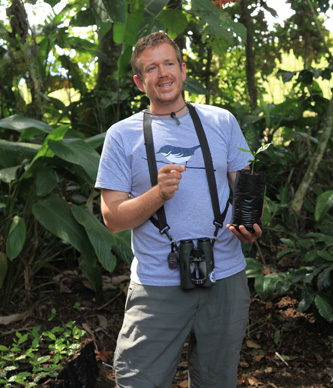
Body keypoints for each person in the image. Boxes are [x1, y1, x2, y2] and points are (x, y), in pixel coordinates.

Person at [95, 31, 262, 388]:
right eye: (151, 68)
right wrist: (158, 193)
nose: (163, 74)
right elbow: (111, 219)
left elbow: (244, 189)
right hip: (158, 283)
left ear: (183, 70)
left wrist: (250, 227)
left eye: (169, 63)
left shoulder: (222, 121)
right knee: (139, 380)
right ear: (141, 82)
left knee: (217, 380)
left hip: (226, 278)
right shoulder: (122, 136)